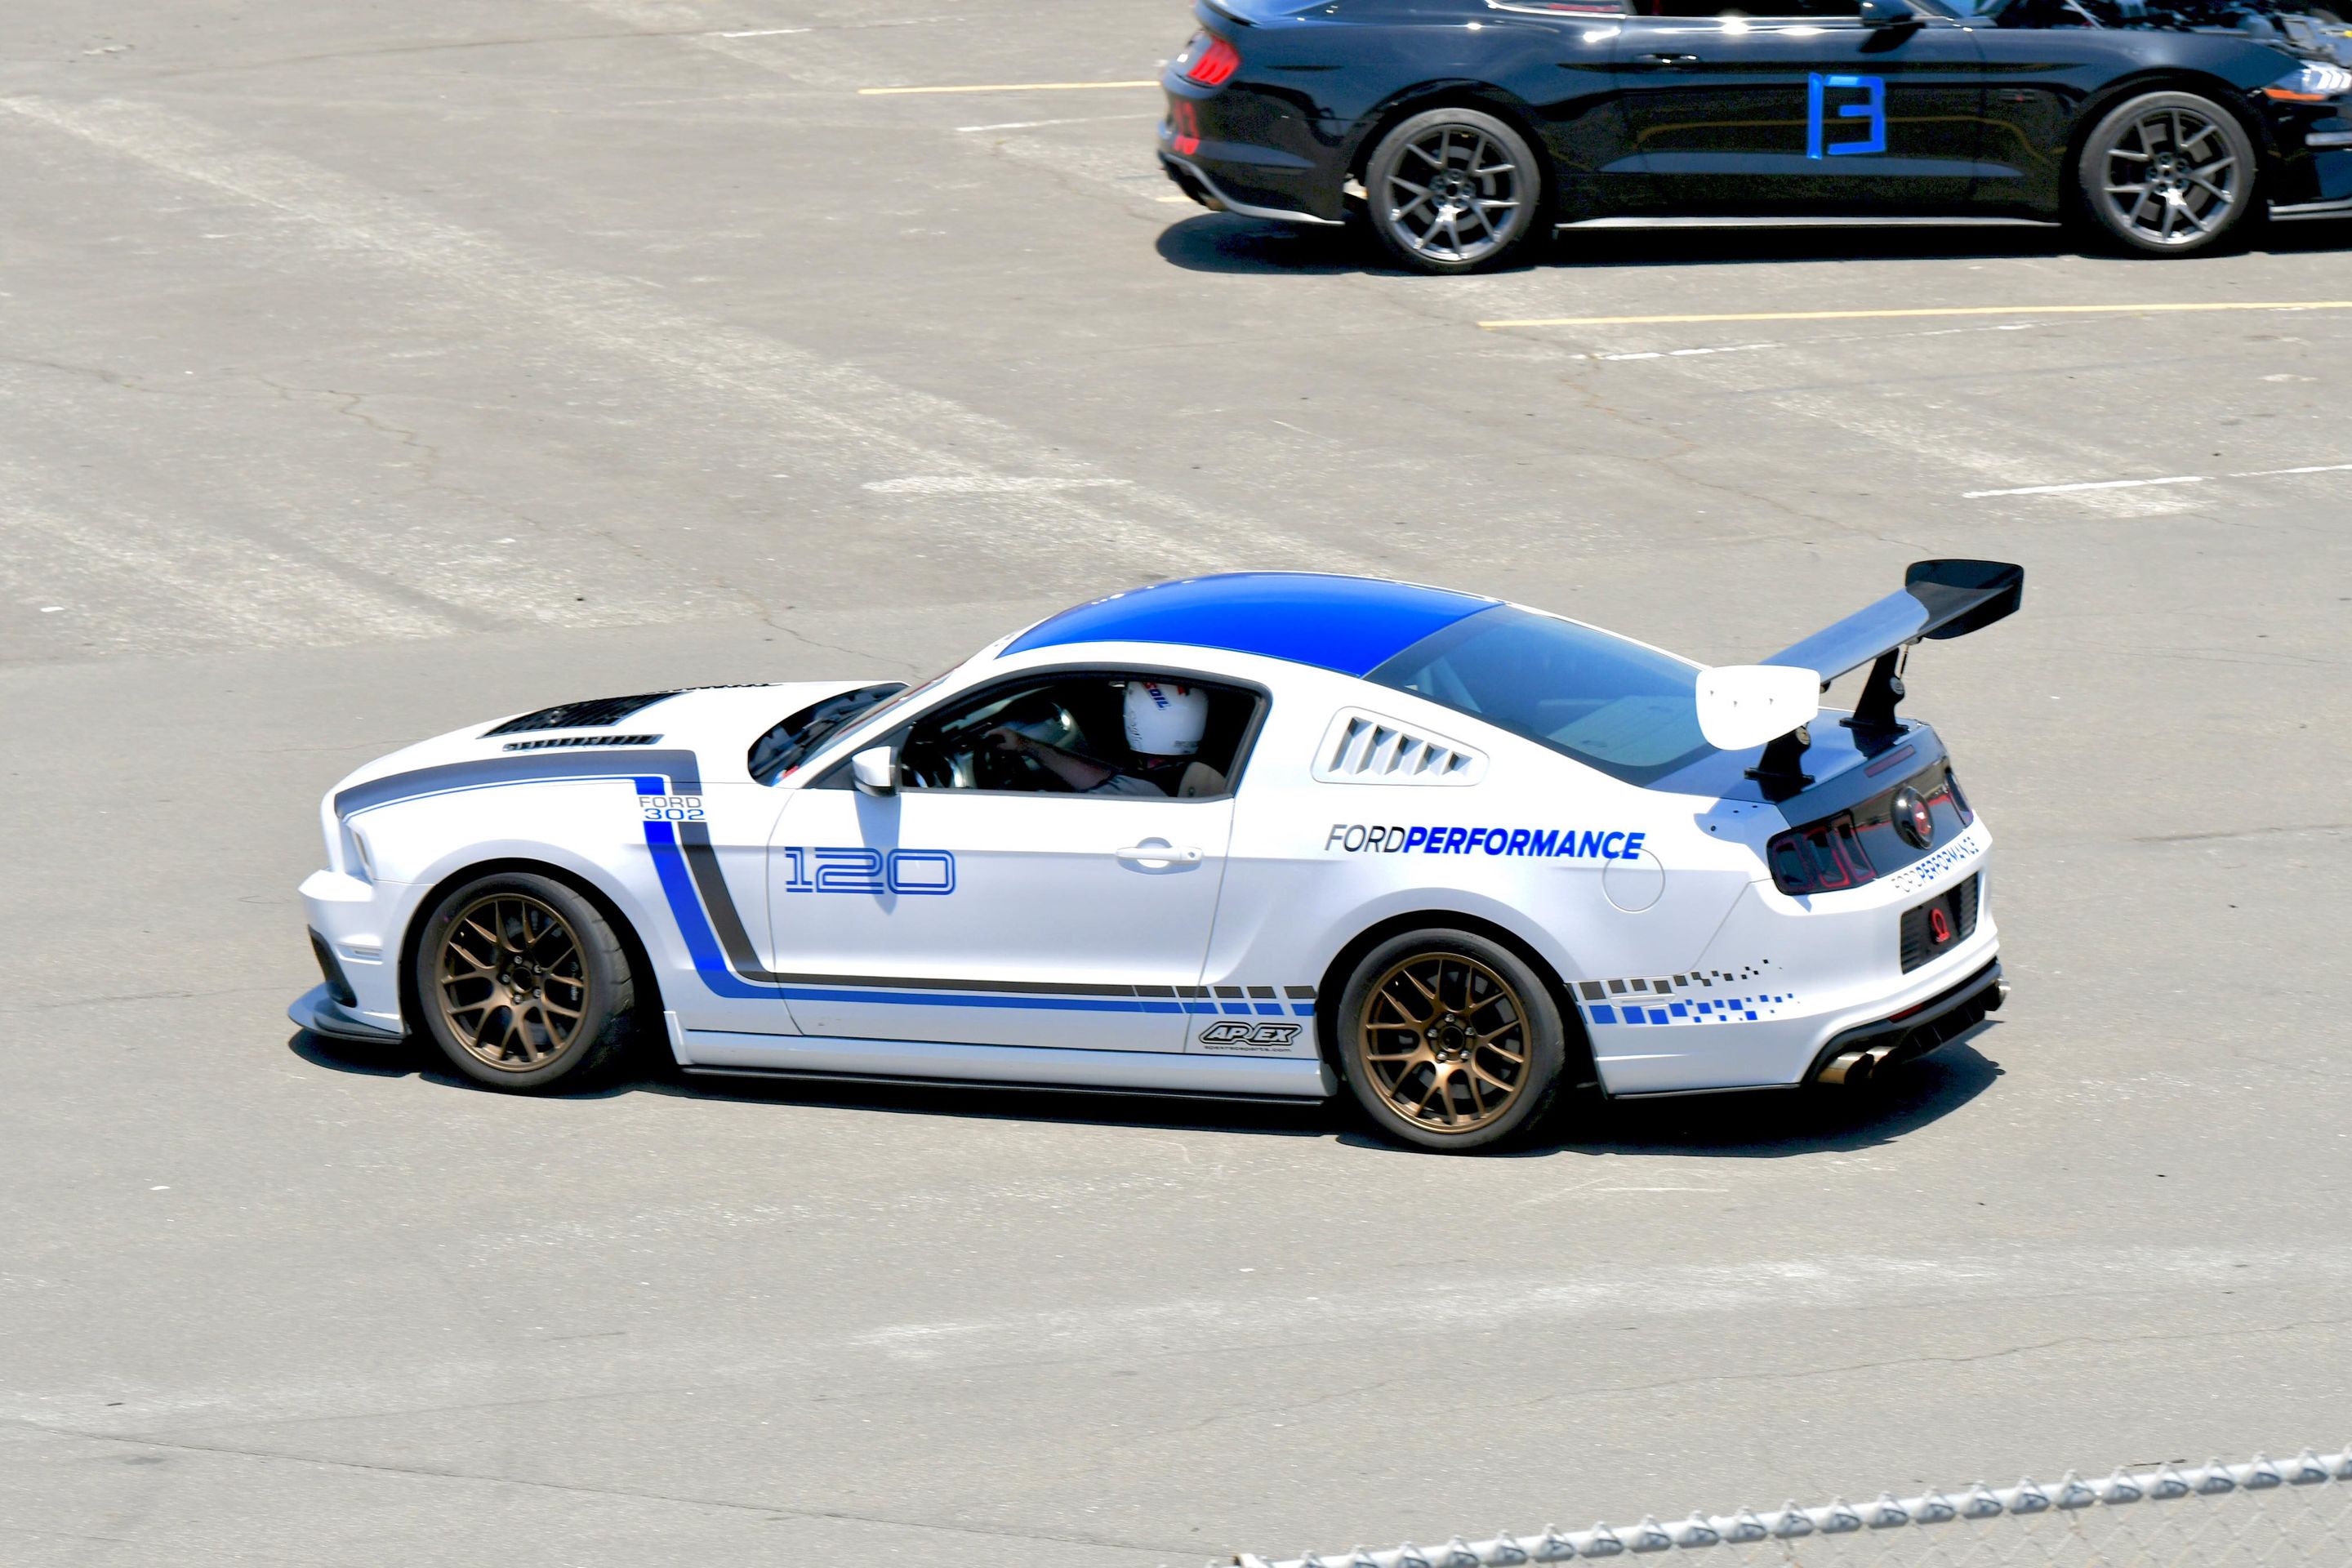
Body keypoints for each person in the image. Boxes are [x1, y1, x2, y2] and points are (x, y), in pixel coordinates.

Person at [985, 679, 1211, 797]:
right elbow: (1108, 778)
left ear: (1135, 716)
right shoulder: (1194, 774)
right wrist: (1028, 746)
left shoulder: (1144, 793)